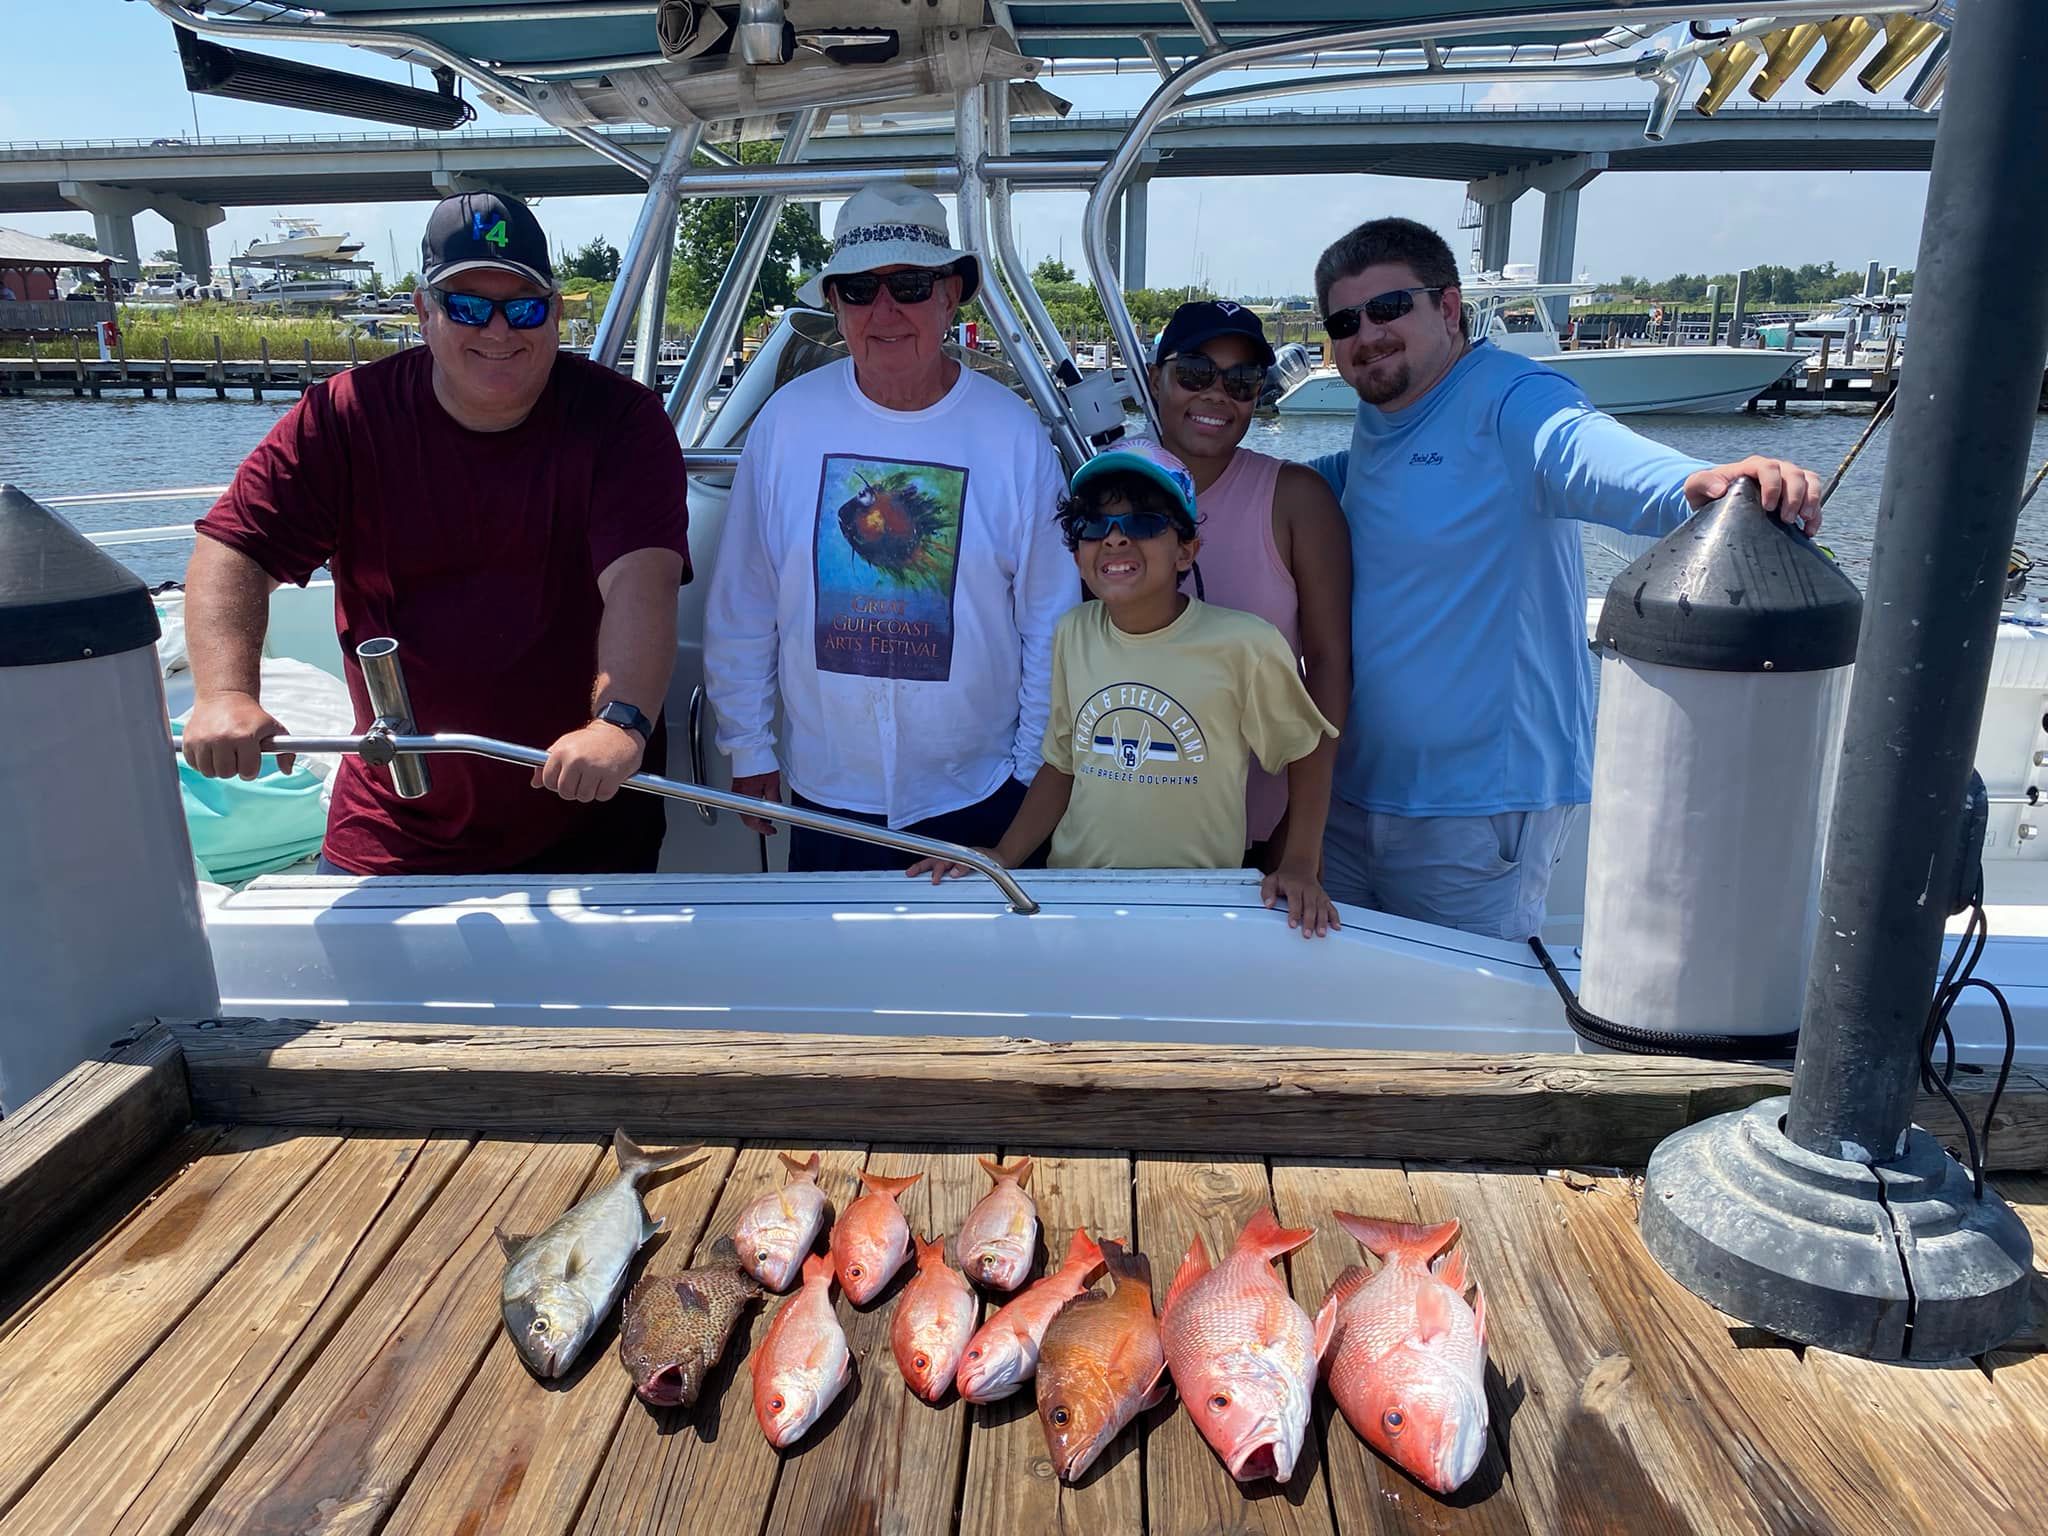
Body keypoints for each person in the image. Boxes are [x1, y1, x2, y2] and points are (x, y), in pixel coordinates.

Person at [1308, 216, 1822, 940]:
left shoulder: (1509, 397)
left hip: (1475, 814)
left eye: (1390, 308)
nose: (1367, 334)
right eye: (1344, 320)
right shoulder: (1381, 428)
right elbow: (1339, 488)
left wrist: (1699, 482)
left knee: (1467, 1034)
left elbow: (1579, 447)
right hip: (1350, 800)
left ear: (1448, 308)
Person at [181, 191, 690, 875]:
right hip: (393, 825)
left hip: (586, 816)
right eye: (468, 307)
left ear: (557, 313)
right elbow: (236, 547)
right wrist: (226, 694)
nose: (500, 330)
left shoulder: (621, 420)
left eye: (525, 307)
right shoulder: (343, 416)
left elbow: (641, 577)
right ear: (423, 312)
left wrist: (619, 723)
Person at [702, 182, 1073, 871]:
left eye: (907, 284)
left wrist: (1028, 774)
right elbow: (745, 601)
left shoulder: (1014, 434)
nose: (885, 311)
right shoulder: (784, 423)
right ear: (834, 304)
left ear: (948, 294)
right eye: (857, 289)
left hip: (984, 788)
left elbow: (1051, 618)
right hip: (823, 792)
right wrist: (749, 747)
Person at [909, 441, 1340, 938]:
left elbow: (1307, 750)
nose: (1115, 540)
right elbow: (1063, 763)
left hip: (1198, 905)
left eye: (1143, 524)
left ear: (1187, 550)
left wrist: (1301, 863)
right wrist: (1004, 857)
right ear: (1076, 552)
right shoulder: (1073, 632)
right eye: (1094, 526)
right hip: (1076, 894)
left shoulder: (1247, 645)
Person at [1148, 300, 1350, 897]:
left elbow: (1330, 672)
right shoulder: (1104, 484)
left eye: (1241, 381)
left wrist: (1301, 848)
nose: (1217, 395)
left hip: (1257, 833)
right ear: (1158, 376)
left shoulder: (1298, 499)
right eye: (1194, 373)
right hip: (1122, 823)